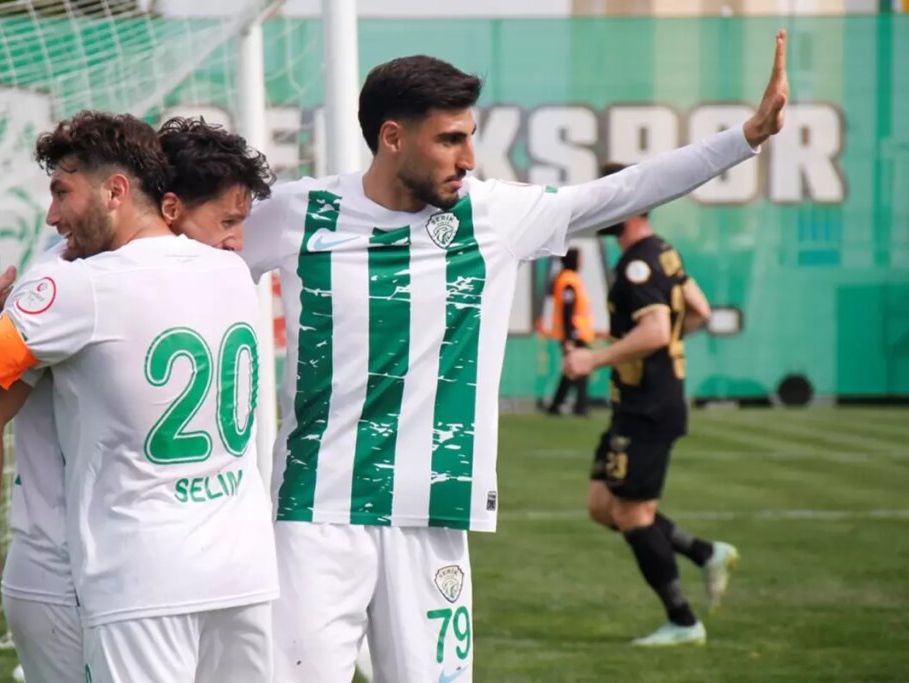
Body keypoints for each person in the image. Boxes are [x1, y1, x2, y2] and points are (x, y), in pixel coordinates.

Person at [240, 31, 788, 681]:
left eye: (470, 136)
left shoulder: (492, 216)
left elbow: (623, 191)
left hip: (433, 515)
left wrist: (746, 137)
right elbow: (188, 262)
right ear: (392, 138)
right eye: (450, 139)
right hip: (315, 515)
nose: (469, 157)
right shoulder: (299, 213)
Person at [0, 111, 277, 682]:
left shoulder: (75, 286)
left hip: (141, 575)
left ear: (116, 191)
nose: (52, 215)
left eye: (61, 192)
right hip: (243, 568)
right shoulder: (232, 273)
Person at [563, 162, 736, 646]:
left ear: (630, 204)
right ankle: (705, 553)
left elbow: (658, 330)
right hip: (640, 404)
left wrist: (596, 359)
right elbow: (698, 311)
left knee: (633, 515)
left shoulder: (638, 263)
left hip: (648, 409)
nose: (599, 208)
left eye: (607, 198)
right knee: (604, 505)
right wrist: (643, 350)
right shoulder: (663, 251)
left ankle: (684, 622)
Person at [542, 248, 594, 416]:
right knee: (581, 368)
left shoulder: (570, 279)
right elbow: (567, 310)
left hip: (575, 332)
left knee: (572, 370)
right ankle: (581, 406)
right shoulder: (568, 281)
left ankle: (557, 405)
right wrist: (570, 337)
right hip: (574, 333)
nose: (582, 262)